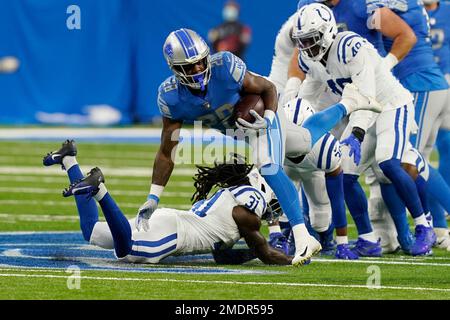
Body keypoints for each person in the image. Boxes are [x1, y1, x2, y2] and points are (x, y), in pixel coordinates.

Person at [139, 28, 381, 266]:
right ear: (175, 69)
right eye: (190, 66)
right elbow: (167, 150)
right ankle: (351, 101)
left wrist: (270, 120)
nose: (199, 69)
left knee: (268, 166)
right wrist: (153, 196)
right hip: (243, 132)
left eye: (201, 62)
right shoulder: (170, 97)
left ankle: (302, 235)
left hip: (264, 118)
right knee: (305, 140)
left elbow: (268, 88)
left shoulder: (224, 66)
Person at [292, 3, 436, 256]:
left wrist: (356, 134)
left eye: (312, 39)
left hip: (390, 105)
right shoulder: (309, 58)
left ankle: (425, 227)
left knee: (389, 162)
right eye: (302, 41)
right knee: (344, 174)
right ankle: (368, 239)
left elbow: (366, 96)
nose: (306, 47)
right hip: (363, 111)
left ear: (326, 32)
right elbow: (309, 97)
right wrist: (294, 121)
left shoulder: (350, 46)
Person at [43, 141, 293, 265]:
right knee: (126, 251)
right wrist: (294, 258)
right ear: (263, 191)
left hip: (169, 221)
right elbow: (267, 254)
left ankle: (69, 161)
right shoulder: (248, 209)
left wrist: (252, 253)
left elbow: (223, 255)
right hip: (173, 234)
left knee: (91, 231)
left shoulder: (230, 198)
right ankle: (100, 191)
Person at [424, 0, 450, 250]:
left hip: (435, 84)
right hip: (423, 84)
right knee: (415, 158)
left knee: (416, 158)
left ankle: (439, 224)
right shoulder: (408, 10)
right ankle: (438, 224)